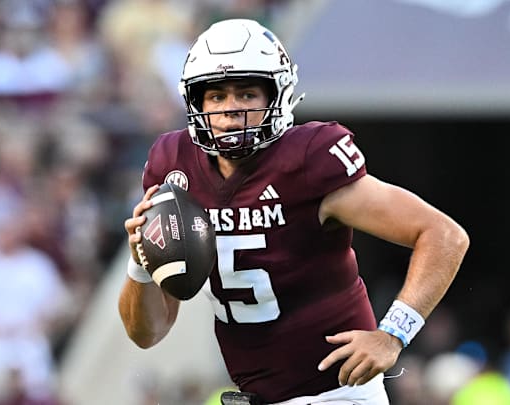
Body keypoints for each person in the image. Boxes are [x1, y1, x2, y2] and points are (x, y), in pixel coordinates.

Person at [118, 18, 470, 405]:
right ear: (195, 102)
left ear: (277, 95)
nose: (231, 110)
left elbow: (443, 234)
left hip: (335, 397)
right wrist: (140, 263)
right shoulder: (173, 166)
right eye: (216, 97)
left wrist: (393, 334)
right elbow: (146, 334)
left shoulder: (307, 159)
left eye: (247, 94)